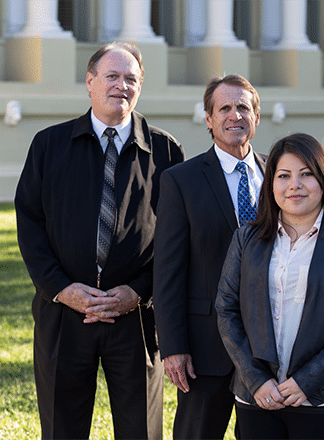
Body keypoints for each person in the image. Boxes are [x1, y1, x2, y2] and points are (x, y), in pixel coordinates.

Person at [14, 42, 184, 439]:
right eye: (112, 76)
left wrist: (138, 292)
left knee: (141, 430)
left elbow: (177, 239)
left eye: (131, 79)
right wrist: (61, 289)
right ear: (90, 81)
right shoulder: (49, 145)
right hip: (63, 314)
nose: (121, 86)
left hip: (136, 317)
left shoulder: (165, 150)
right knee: (62, 429)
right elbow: (30, 223)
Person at [215, 132, 324, 440]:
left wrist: (307, 381)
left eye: (307, 174)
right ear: (271, 183)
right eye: (284, 176)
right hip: (258, 398)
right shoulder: (246, 239)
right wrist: (256, 379)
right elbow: (226, 310)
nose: (295, 185)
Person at [153, 74, 266, 439]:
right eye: (225, 108)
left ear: (256, 117)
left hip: (269, 346)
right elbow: (167, 271)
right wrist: (173, 347)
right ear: (209, 118)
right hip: (205, 348)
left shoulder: (280, 175)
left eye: (243, 107)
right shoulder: (181, 180)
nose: (235, 115)